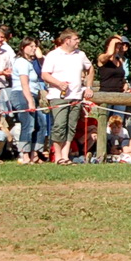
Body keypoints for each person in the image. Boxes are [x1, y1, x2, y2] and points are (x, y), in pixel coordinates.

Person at [41, 29, 93, 164]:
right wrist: (58, 84)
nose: (78, 42)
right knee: (59, 125)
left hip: (76, 96)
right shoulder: (53, 55)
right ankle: (57, 156)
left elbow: (90, 68)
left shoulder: (80, 55)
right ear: (67, 40)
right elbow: (45, 74)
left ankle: (65, 156)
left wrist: (88, 87)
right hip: (58, 96)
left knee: (71, 126)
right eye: (76, 39)